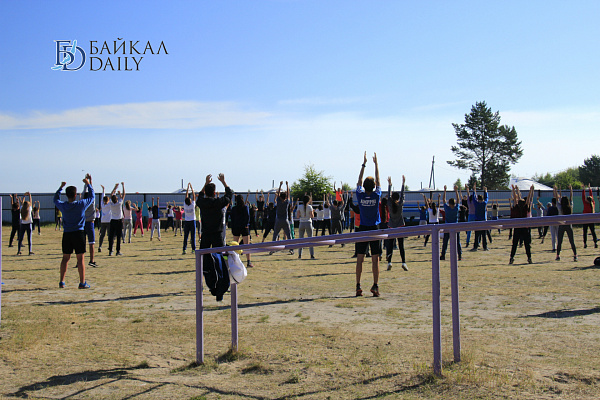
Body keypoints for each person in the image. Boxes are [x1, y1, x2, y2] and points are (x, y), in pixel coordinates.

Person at [54, 177, 95, 289]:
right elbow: (92, 197)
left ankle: (62, 281)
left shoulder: (64, 206)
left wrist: (60, 188)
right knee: (80, 259)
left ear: (67, 195)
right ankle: (82, 282)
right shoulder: (80, 204)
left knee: (65, 258)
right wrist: (88, 184)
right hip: (78, 233)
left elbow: (55, 200)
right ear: (76, 195)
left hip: (67, 234)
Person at [355, 152, 382, 297]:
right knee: (375, 258)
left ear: (364, 186)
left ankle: (358, 285)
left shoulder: (359, 195)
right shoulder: (377, 195)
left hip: (363, 228)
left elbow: (359, 180)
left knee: (360, 258)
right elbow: (378, 179)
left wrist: (364, 164)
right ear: (374, 186)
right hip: (374, 228)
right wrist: (376, 163)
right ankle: (375, 285)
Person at [196, 174, 232, 249]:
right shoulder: (218, 202)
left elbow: (200, 195)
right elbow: (229, 195)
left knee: (204, 255)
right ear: (214, 193)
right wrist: (223, 182)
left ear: (206, 192)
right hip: (217, 233)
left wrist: (205, 184)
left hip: (206, 233)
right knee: (219, 255)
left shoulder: (203, 203)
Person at [386, 176, 408, 270]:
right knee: (401, 246)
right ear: (398, 198)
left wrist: (389, 185)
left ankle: (389, 262)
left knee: (390, 246)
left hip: (391, 226)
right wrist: (403, 184)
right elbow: (403, 195)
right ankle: (403, 262)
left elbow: (388, 195)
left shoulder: (390, 204)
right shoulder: (400, 204)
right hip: (400, 226)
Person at [509, 184, 534, 264]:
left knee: (515, 245)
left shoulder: (516, 208)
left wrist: (514, 190)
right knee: (527, 245)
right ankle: (529, 258)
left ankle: (511, 258)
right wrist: (530, 190)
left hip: (517, 228)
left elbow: (516, 199)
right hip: (524, 228)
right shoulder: (525, 209)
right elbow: (528, 199)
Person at [229, 193, 255, 267]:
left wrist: (233, 227)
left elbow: (232, 219)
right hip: (244, 227)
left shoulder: (234, 208)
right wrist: (246, 225)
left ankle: (235, 261)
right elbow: (247, 216)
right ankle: (249, 261)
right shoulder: (245, 207)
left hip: (236, 227)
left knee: (235, 246)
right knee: (247, 245)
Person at [270, 181, 294, 255]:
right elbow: (288, 194)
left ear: (279, 197)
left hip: (278, 220)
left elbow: (279, 194)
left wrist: (280, 185)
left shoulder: (278, 202)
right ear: (285, 197)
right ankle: (291, 249)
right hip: (285, 220)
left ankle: (272, 249)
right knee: (289, 235)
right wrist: (287, 185)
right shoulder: (287, 202)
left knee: (275, 235)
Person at [555, 185, 578, 261]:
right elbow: (571, 199)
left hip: (561, 224)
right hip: (569, 224)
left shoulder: (560, 207)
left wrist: (555, 190)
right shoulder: (570, 207)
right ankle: (575, 255)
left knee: (560, 241)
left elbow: (557, 198)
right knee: (572, 241)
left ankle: (558, 255)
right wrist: (571, 190)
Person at [440, 185, 462, 261]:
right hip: (456, 226)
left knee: (445, 242)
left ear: (449, 203)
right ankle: (459, 255)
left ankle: (443, 255)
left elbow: (443, 200)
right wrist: (456, 191)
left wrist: (445, 190)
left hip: (447, 226)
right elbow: (458, 200)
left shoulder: (447, 208)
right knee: (457, 242)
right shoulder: (456, 208)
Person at [82, 176, 98, 268]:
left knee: (82, 243)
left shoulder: (82, 202)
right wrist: (89, 181)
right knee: (91, 243)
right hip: (90, 223)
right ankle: (92, 260)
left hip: (83, 223)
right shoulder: (91, 202)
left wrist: (85, 183)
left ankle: (80, 260)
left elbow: (84, 192)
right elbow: (92, 192)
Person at [107, 182, 125, 256]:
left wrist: (115, 188)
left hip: (112, 221)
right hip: (119, 221)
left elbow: (111, 195)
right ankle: (118, 251)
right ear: (116, 199)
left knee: (111, 237)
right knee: (118, 237)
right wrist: (123, 186)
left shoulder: (111, 204)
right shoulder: (119, 203)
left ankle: (110, 250)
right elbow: (123, 195)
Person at [297, 194, 316, 259]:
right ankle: (311, 255)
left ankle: (299, 254)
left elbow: (297, 216)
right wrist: (313, 212)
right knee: (310, 239)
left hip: (301, 223)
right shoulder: (310, 207)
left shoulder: (299, 206)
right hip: (308, 222)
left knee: (300, 239)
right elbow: (312, 216)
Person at [471, 185, 489, 251]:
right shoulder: (484, 204)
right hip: (483, 220)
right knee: (484, 235)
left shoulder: (476, 204)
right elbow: (487, 198)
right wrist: (485, 191)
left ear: (478, 199)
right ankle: (485, 247)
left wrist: (474, 191)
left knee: (477, 235)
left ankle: (475, 247)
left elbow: (473, 198)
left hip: (477, 220)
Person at [182, 183, 197, 255]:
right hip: (192, 221)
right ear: (190, 201)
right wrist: (191, 188)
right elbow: (194, 196)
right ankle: (193, 249)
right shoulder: (192, 205)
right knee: (193, 236)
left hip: (186, 221)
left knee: (186, 236)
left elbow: (186, 196)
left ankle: (184, 249)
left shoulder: (185, 205)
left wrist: (187, 188)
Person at [581, 184, 598, 248]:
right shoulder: (592, 204)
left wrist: (584, 189)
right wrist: (590, 189)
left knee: (585, 232)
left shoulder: (586, 204)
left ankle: (585, 243)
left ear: (587, 200)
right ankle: (595, 242)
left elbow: (583, 197)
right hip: (591, 220)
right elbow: (592, 197)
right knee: (593, 231)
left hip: (585, 219)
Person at [97, 185, 111, 253]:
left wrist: (103, 190)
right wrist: (114, 190)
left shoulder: (102, 204)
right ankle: (109, 246)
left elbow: (102, 198)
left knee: (102, 235)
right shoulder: (109, 205)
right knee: (109, 235)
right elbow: (112, 197)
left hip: (103, 221)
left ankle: (100, 246)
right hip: (108, 221)